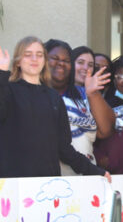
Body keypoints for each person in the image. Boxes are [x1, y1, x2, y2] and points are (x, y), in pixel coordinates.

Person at [0, 37, 109, 179]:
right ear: (18, 61)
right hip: (14, 185)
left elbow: (64, 148)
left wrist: (96, 171)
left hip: (47, 185)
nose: (34, 59)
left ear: (44, 61)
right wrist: (0, 73)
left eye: (39, 54)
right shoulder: (8, 90)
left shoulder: (54, 97)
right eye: (28, 54)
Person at [46, 38, 114, 174]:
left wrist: (93, 94)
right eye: (80, 62)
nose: (60, 64)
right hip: (52, 176)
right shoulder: (37, 93)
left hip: (85, 174)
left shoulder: (86, 94)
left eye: (65, 61)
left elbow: (105, 130)